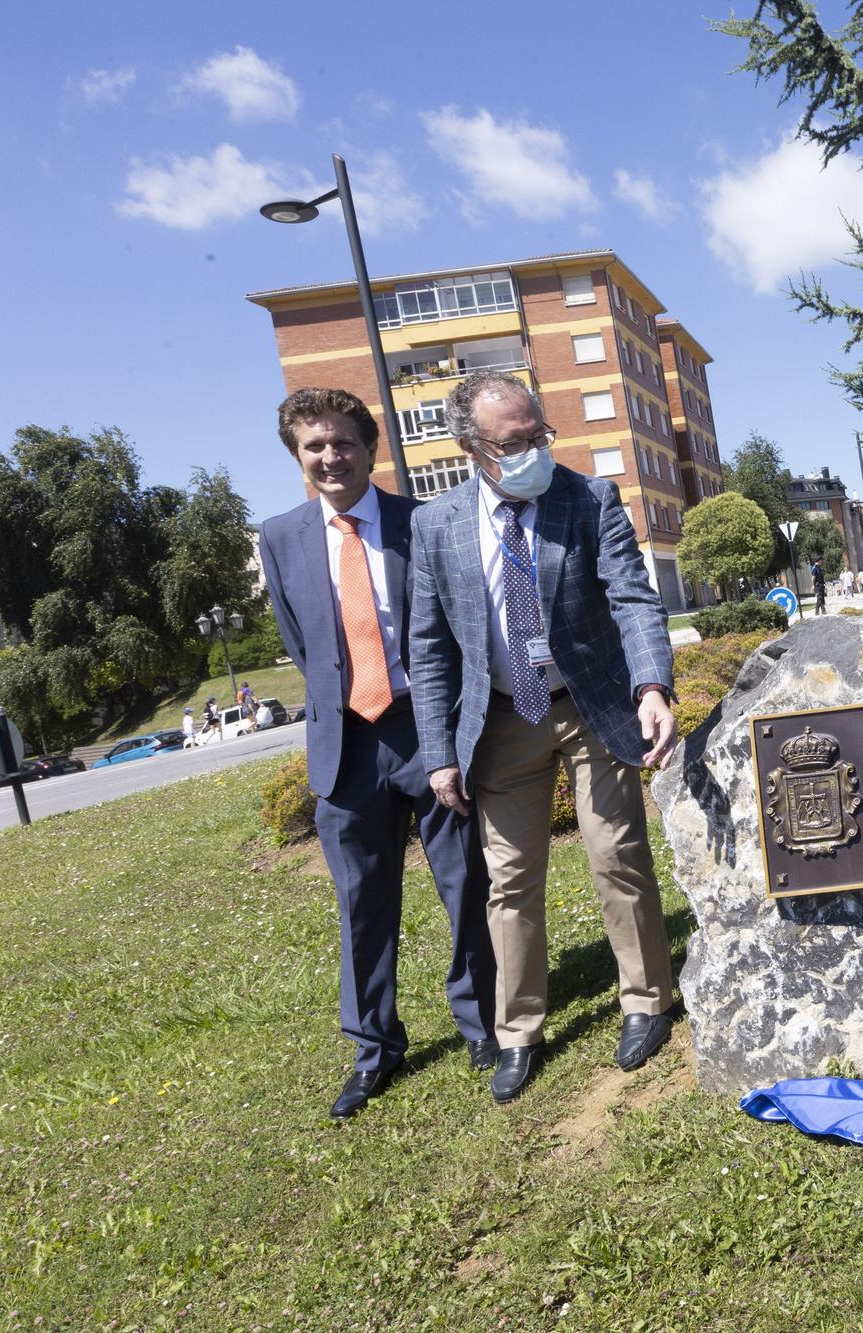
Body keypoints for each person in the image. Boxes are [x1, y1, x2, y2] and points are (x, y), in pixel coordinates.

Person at [408, 371, 680, 1105]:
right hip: (500, 718)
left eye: (539, 435)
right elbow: (429, 648)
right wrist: (439, 753)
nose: (533, 451)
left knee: (617, 854)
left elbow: (630, 596)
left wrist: (651, 685)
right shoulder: (436, 525)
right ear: (472, 447)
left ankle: (646, 1000)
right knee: (510, 880)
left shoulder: (588, 500)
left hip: (586, 703)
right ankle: (519, 1029)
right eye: (514, 442)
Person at [258, 387, 499, 1121]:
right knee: (362, 904)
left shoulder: (421, 523)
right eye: (314, 447)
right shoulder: (280, 536)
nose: (331, 457)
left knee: (464, 886)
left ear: (371, 448)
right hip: (344, 746)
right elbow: (304, 645)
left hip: (427, 729)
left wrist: (446, 728)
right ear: (299, 457)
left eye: (343, 443)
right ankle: (374, 1049)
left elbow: (456, 629)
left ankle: (484, 1024)